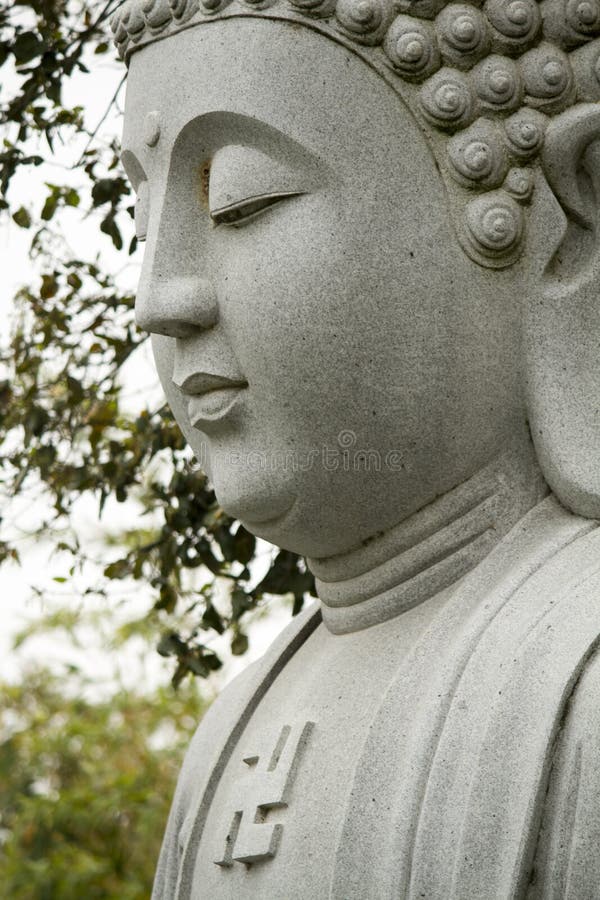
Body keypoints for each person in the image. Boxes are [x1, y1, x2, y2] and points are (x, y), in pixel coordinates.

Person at [111, 0, 600, 895]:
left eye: (239, 198)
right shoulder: (230, 728)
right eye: (145, 219)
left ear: (565, 218)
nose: (159, 296)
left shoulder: (582, 679)